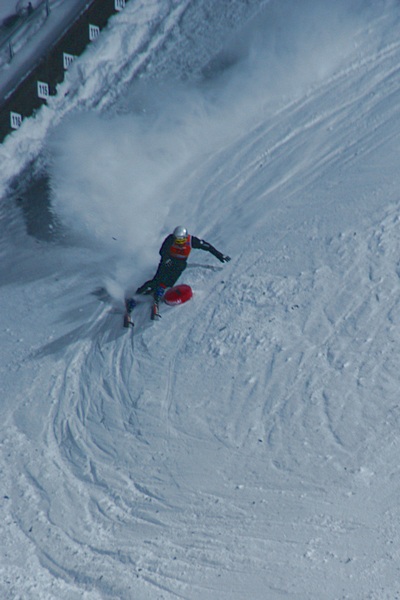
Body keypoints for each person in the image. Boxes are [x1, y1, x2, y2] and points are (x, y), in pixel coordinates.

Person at [130, 226, 231, 317]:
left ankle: (160, 290)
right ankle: (137, 295)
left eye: (180, 240)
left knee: (170, 281)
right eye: (177, 240)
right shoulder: (171, 239)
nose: (178, 242)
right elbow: (162, 250)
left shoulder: (191, 241)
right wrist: (166, 258)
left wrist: (219, 255)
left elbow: (207, 247)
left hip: (179, 263)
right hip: (168, 260)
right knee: (157, 279)